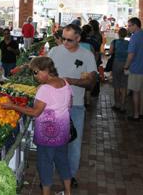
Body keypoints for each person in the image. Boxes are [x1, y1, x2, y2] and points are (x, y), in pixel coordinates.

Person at [1, 57, 72, 195]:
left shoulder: (45, 89)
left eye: (36, 72)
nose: (35, 76)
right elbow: (69, 104)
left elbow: (35, 112)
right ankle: (68, 192)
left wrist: (12, 106)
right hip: (63, 131)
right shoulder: (65, 82)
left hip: (47, 135)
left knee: (45, 165)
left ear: (46, 70)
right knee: (63, 162)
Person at [48, 24, 97, 188]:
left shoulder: (87, 55)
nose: (65, 42)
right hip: (53, 106)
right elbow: (44, 73)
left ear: (78, 39)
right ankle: (49, 177)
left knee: (74, 143)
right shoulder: (54, 52)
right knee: (51, 141)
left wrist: (72, 81)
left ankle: (70, 175)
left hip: (75, 106)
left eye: (69, 40)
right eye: (63, 39)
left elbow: (91, 82)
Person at [124, 17, 143, 121]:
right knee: (142, 92)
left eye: (129, 25)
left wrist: (126, 66)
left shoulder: (134, 37)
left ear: (135, 25)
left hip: (136, 69)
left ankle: (136, 115)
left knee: (135, 92)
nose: (128, 28)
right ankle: (141, 113)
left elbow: (131, 55)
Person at [110, 28, 129, 113]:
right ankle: (123, 106)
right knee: (124, 86)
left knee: (116, 85)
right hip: (126, 64)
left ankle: (117, 104)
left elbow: (110, 52)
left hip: (116, 63)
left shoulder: (114, 42)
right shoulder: (129, 43)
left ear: (118, 34)